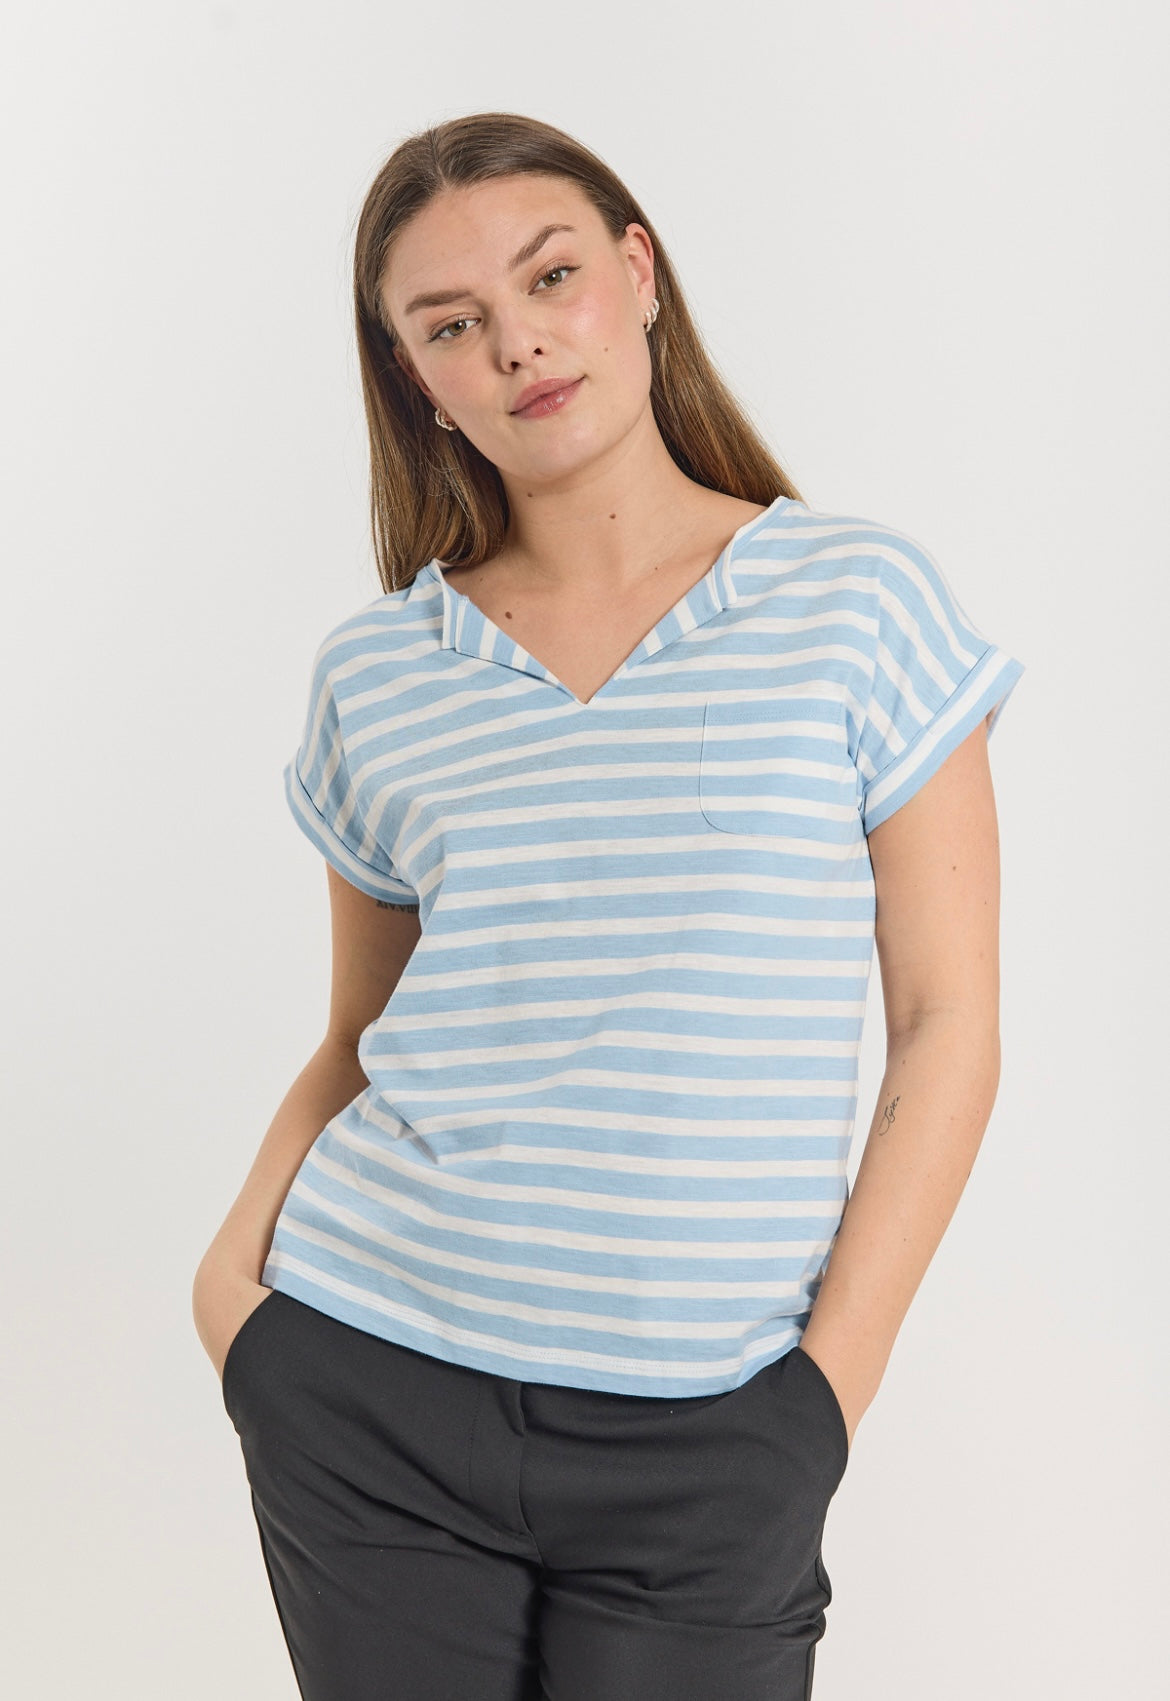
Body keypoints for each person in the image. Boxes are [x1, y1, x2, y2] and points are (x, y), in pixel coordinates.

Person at [192, 111, 1025, 1701]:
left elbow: (945, 1026)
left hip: (711, 1433)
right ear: (413, 377)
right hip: (372, 1377)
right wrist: (232, 1296)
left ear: (638, 274)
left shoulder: (856, 603)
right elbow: (359, 1036)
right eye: (451, 325)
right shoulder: (379, 672)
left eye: (549, 276)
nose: (516, 342)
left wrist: (816, 1405)